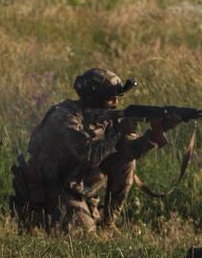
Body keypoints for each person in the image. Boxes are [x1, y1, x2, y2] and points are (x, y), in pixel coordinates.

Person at [11, 68, 181, 234]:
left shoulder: (106, 117)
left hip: (79, 185)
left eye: (117, 98)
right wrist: (118, 131)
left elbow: (129, 151)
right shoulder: (64, 117)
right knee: (84, 235)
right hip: (53, 188)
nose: (116, 103)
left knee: (126, 161)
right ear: (93, 98)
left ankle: (108, 224)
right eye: (110, 99)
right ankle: (38, 219)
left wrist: (156, 132)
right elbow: (90, 156)